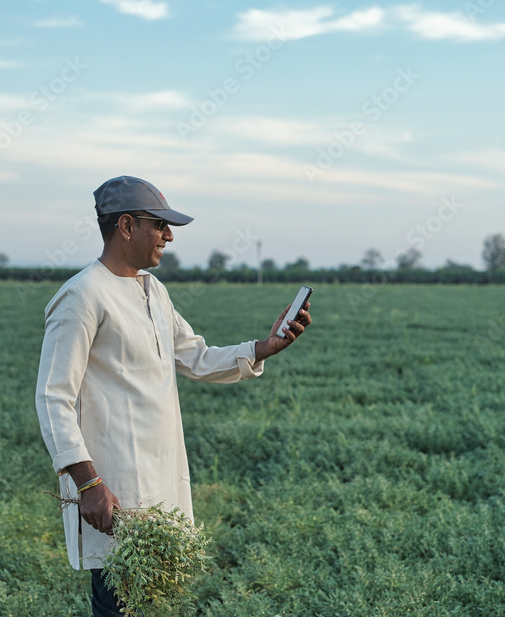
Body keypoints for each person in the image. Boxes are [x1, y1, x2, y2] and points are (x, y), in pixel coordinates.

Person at [34, 176, 310, 616]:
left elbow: (196, 357)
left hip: (162, 486)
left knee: (153, 605)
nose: (169, 235)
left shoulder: (152, 290)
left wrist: (264, 346)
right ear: (126, 226)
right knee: (117, 606)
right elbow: (53, 398)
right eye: (159, 224)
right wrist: (87, 483)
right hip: (114, 493)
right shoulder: (82, 296)